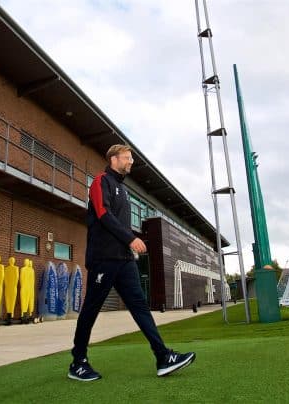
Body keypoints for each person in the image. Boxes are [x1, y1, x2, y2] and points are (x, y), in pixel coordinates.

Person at [68, 144, 195, 382]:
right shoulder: (101, 181)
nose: (131, 162)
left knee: (140, 307)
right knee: (91, 310)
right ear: (114, 158)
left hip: (124, 261)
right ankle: (78, 361)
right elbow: (103, 214)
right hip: (103, 260)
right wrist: (131, 238)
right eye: (127, 158)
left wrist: (129, 244)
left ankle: (162, 356)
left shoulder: (123, 190)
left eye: (131, 159)